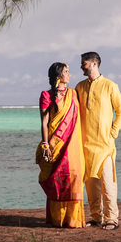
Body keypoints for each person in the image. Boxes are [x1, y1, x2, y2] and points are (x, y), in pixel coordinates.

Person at [75, 51, 121, 230]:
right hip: (85, 145)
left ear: (94, 64)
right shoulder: (79, 87)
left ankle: (112, 218)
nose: (81, 66)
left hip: (105, 146)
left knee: (108, 184)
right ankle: (96, 217)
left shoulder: (110, 86)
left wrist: (112, 133)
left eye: (84, 63)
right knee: (91, 185)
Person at [37, 61, 86, 228]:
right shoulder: (46, 95)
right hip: (55, 144)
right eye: (66, 72)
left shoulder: (73, 94)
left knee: (74, 177)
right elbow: (44, 122)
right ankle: (58, 218)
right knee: (58, 179)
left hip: (72, 144)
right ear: (59, 76)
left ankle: (73, 219)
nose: (70, 75)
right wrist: (46, 146)